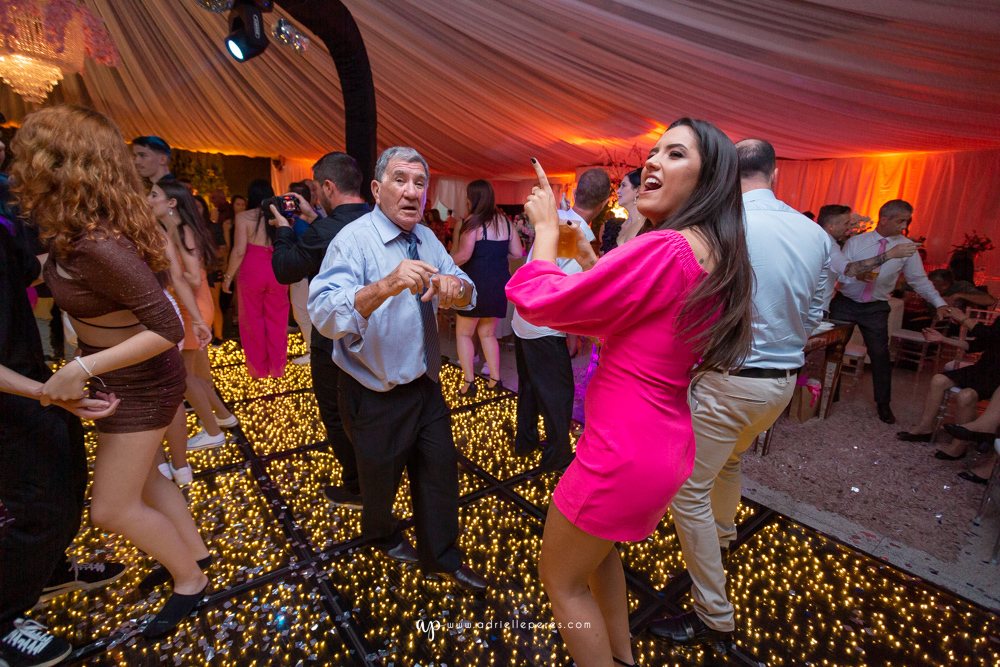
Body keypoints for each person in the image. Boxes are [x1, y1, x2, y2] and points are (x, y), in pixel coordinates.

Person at [506, 119, 754, 667]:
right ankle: (621, 656)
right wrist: (597, 265)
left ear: (708, 178)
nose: (653, 164)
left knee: (560, 583)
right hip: (659, 443)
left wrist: (545, 232)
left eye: (676, 153)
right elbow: (639, 326)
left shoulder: (665, 248)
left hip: (622, 452)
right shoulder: (713, 251)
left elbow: (540, 301)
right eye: (654, 152)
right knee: (599, 557)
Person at [12, 106, 212, 640]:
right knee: (146, 479)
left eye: (29, 154)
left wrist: (80, 366)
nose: (17, 163)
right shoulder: (78, 229)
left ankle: (190, 582)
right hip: (123, 375)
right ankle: (194, 555)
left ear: (60, 165)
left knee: (111, 508)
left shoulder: (99, 243)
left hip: (142, 379)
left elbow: (168, 325)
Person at [648, 138, 830, 650]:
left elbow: (686, 305)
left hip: (730, 377)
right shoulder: (815, 234)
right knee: (727, 464)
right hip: (780, 384)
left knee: (687, 492)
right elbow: (815, 312)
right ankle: (723, 536)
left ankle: (714, 617)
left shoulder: (717, 227)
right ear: (775, 175)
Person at [309, 146, 487, 592]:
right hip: (373, 393)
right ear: (376, 188)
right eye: (400, 180)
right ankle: (383, 535)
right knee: (379, 482)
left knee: (440, 473)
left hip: (425, 384)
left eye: (419, 183)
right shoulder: (352, 241)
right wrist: (387, 284)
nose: (411, 192)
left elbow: (468, 294)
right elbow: (325, 315)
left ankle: (441, 559)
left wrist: (457, 287)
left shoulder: (427, 238)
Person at [1, 168, 126, 667]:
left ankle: (49, 571)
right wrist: (49, 393)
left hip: (30, 377)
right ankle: (5, 616)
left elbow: (26, 272)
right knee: (40, 506)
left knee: (70, 478)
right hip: (14, 390)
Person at [271, 151, 370, 510]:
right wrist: (315, 219)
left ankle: (359, 487)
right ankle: (378, 473)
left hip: (335, 336)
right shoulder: (378, 220)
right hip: (375, 332)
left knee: (336, 411)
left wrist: (283, 229)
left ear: (328, 186)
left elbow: (285, 270)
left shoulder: (327, 230)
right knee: (370, 407)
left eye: (317, 189)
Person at [510, 168, 605, 472]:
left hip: (523, 319)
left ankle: (524, 443)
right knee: (558, 395)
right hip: (545, 326)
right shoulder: (580, 235)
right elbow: (568, 292)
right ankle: (556, 458)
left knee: (528, 386)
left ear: (576, 193)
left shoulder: (553, 218)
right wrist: (574, 334)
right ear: (604, 204)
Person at [829, 199, 947, 424]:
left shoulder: (906, 248)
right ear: (884, 219)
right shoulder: (856, 242)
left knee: (881, 355)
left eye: (906, 221)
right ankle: (830, 394)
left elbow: (918, 280)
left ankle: (883, 405)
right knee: (834, 348)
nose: (904, 226)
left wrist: (938, 302)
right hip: (845, 302)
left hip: (876, 307)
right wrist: (856, 275)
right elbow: (840, 273)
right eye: (900, 220)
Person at [149, 181, 238, 456]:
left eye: (154, 195)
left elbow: (189, 275)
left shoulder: (182, 231)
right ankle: (224, 417)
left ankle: (213, 433)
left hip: (193, 305)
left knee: (185, 377)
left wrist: (163, 273)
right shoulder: (174, 230)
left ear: (172, 203)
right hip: (192, 303)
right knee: (196, 374)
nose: (148, 199)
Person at [450, 180, 524, 394]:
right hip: (498, 283)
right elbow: (518, 252)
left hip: (476, 285)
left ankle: (468, 382)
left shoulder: (472, 221)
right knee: (487, 333)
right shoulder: (505, 222)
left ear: (472, 198)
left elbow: (464, 255)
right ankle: (495, 379)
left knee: (464, 333)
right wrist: (497, 257)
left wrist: (442, 264)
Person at [898, 305, 1000, 455]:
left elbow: (990, 335)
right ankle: (925, 428)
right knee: (938, 379)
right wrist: (942, 338)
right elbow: (976, 345)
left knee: (966, 395)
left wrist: (964, 319)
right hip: (983, 368)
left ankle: (959, 445)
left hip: (997, 376)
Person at [223, 180, 290, 379]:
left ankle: (258, 371)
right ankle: (278, 369)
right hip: (277, 270)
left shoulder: (243, 216)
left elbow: (238, 251)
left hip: (252, 271)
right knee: (278, 321)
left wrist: (227, 277)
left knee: (251, 321)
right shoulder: (280, 215)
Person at [815, 204, 918, 313]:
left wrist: (857, 277)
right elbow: (849, 269)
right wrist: (890, 254)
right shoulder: (828, 245)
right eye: (846, 223)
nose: (849, 227)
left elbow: (836, 273)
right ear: (831, 226)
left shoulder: (815, 239)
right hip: (814, 309)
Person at [285, 180, 316, 365]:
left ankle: (312, 350)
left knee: (302, 313)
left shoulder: (300, 223)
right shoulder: (307, 219)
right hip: (305, 274)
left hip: (302, 275)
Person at [605, 168, 643, 252]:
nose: (618, 191)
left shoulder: (647, 226)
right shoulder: (616, 226)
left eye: (623, 185)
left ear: (638, 191)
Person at [928, 268, 994, 310]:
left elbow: (990, 300)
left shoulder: (960, 286)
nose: (929, 287)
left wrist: (959, 295)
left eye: (932, 284)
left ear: (946, 285)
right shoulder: (928, 292)